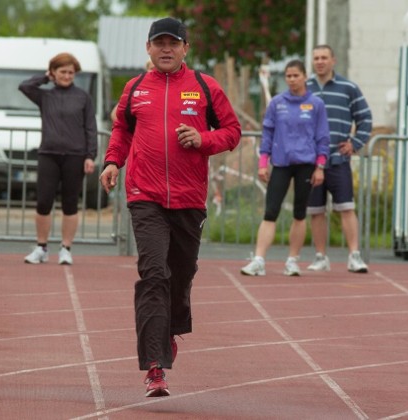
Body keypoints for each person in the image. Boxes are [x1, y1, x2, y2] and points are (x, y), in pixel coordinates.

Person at [100, 17, 241, 397]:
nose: (165, 49)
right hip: (144, 196)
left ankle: (170, 331)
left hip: (188, 199)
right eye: (158, 43)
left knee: (180, 276)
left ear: (184, 49)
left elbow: (233, 131)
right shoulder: (134, 89)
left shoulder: (204, 87)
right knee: (153, 275)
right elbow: (122, 129)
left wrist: (204, 138)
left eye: (172, 43)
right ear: (147, 48)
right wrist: (113, 161)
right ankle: (155, 365)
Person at [241, 60, 330, 277]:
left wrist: (320, 167)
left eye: (295, 75)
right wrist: (263, 163)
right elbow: (268, 133)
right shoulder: (277, 103)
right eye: (288, 76)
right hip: (280, 163)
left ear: (304, 76)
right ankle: (259, 260)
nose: (291, 80)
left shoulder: (316, 104)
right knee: (270, 212)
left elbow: (323, 138)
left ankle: (292, 260)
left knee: (300, 213)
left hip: (306, 165)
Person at [19, 53, 97, 265]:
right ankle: (41, 247)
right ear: (54, 73)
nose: (67, 76)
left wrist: (91, 156)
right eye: (62, 72)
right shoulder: (45, 96)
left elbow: (91, 128)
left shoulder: (83, 97)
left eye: (71, 72)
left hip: (75, 155)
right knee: (44, 201)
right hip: (48, 154)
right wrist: (45, 78)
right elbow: (24, 87)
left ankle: (66, 248)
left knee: (70, 203)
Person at [305, 44, 373, 273]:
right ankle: (320, 256)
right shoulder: (304, 88)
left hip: (338, 161)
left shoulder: (348, 88)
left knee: (346, 208)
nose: (320, 61)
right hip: (310, 162)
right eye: (316, 58)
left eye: (324, 57)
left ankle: (354, 255)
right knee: (315, 211)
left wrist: (355, 143)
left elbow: (365, 118)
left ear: (333, 60)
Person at [109, 59, 155, 123]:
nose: (155, 71)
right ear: (146, 70)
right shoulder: (137, 87)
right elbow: (115, 115)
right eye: (152, 68)